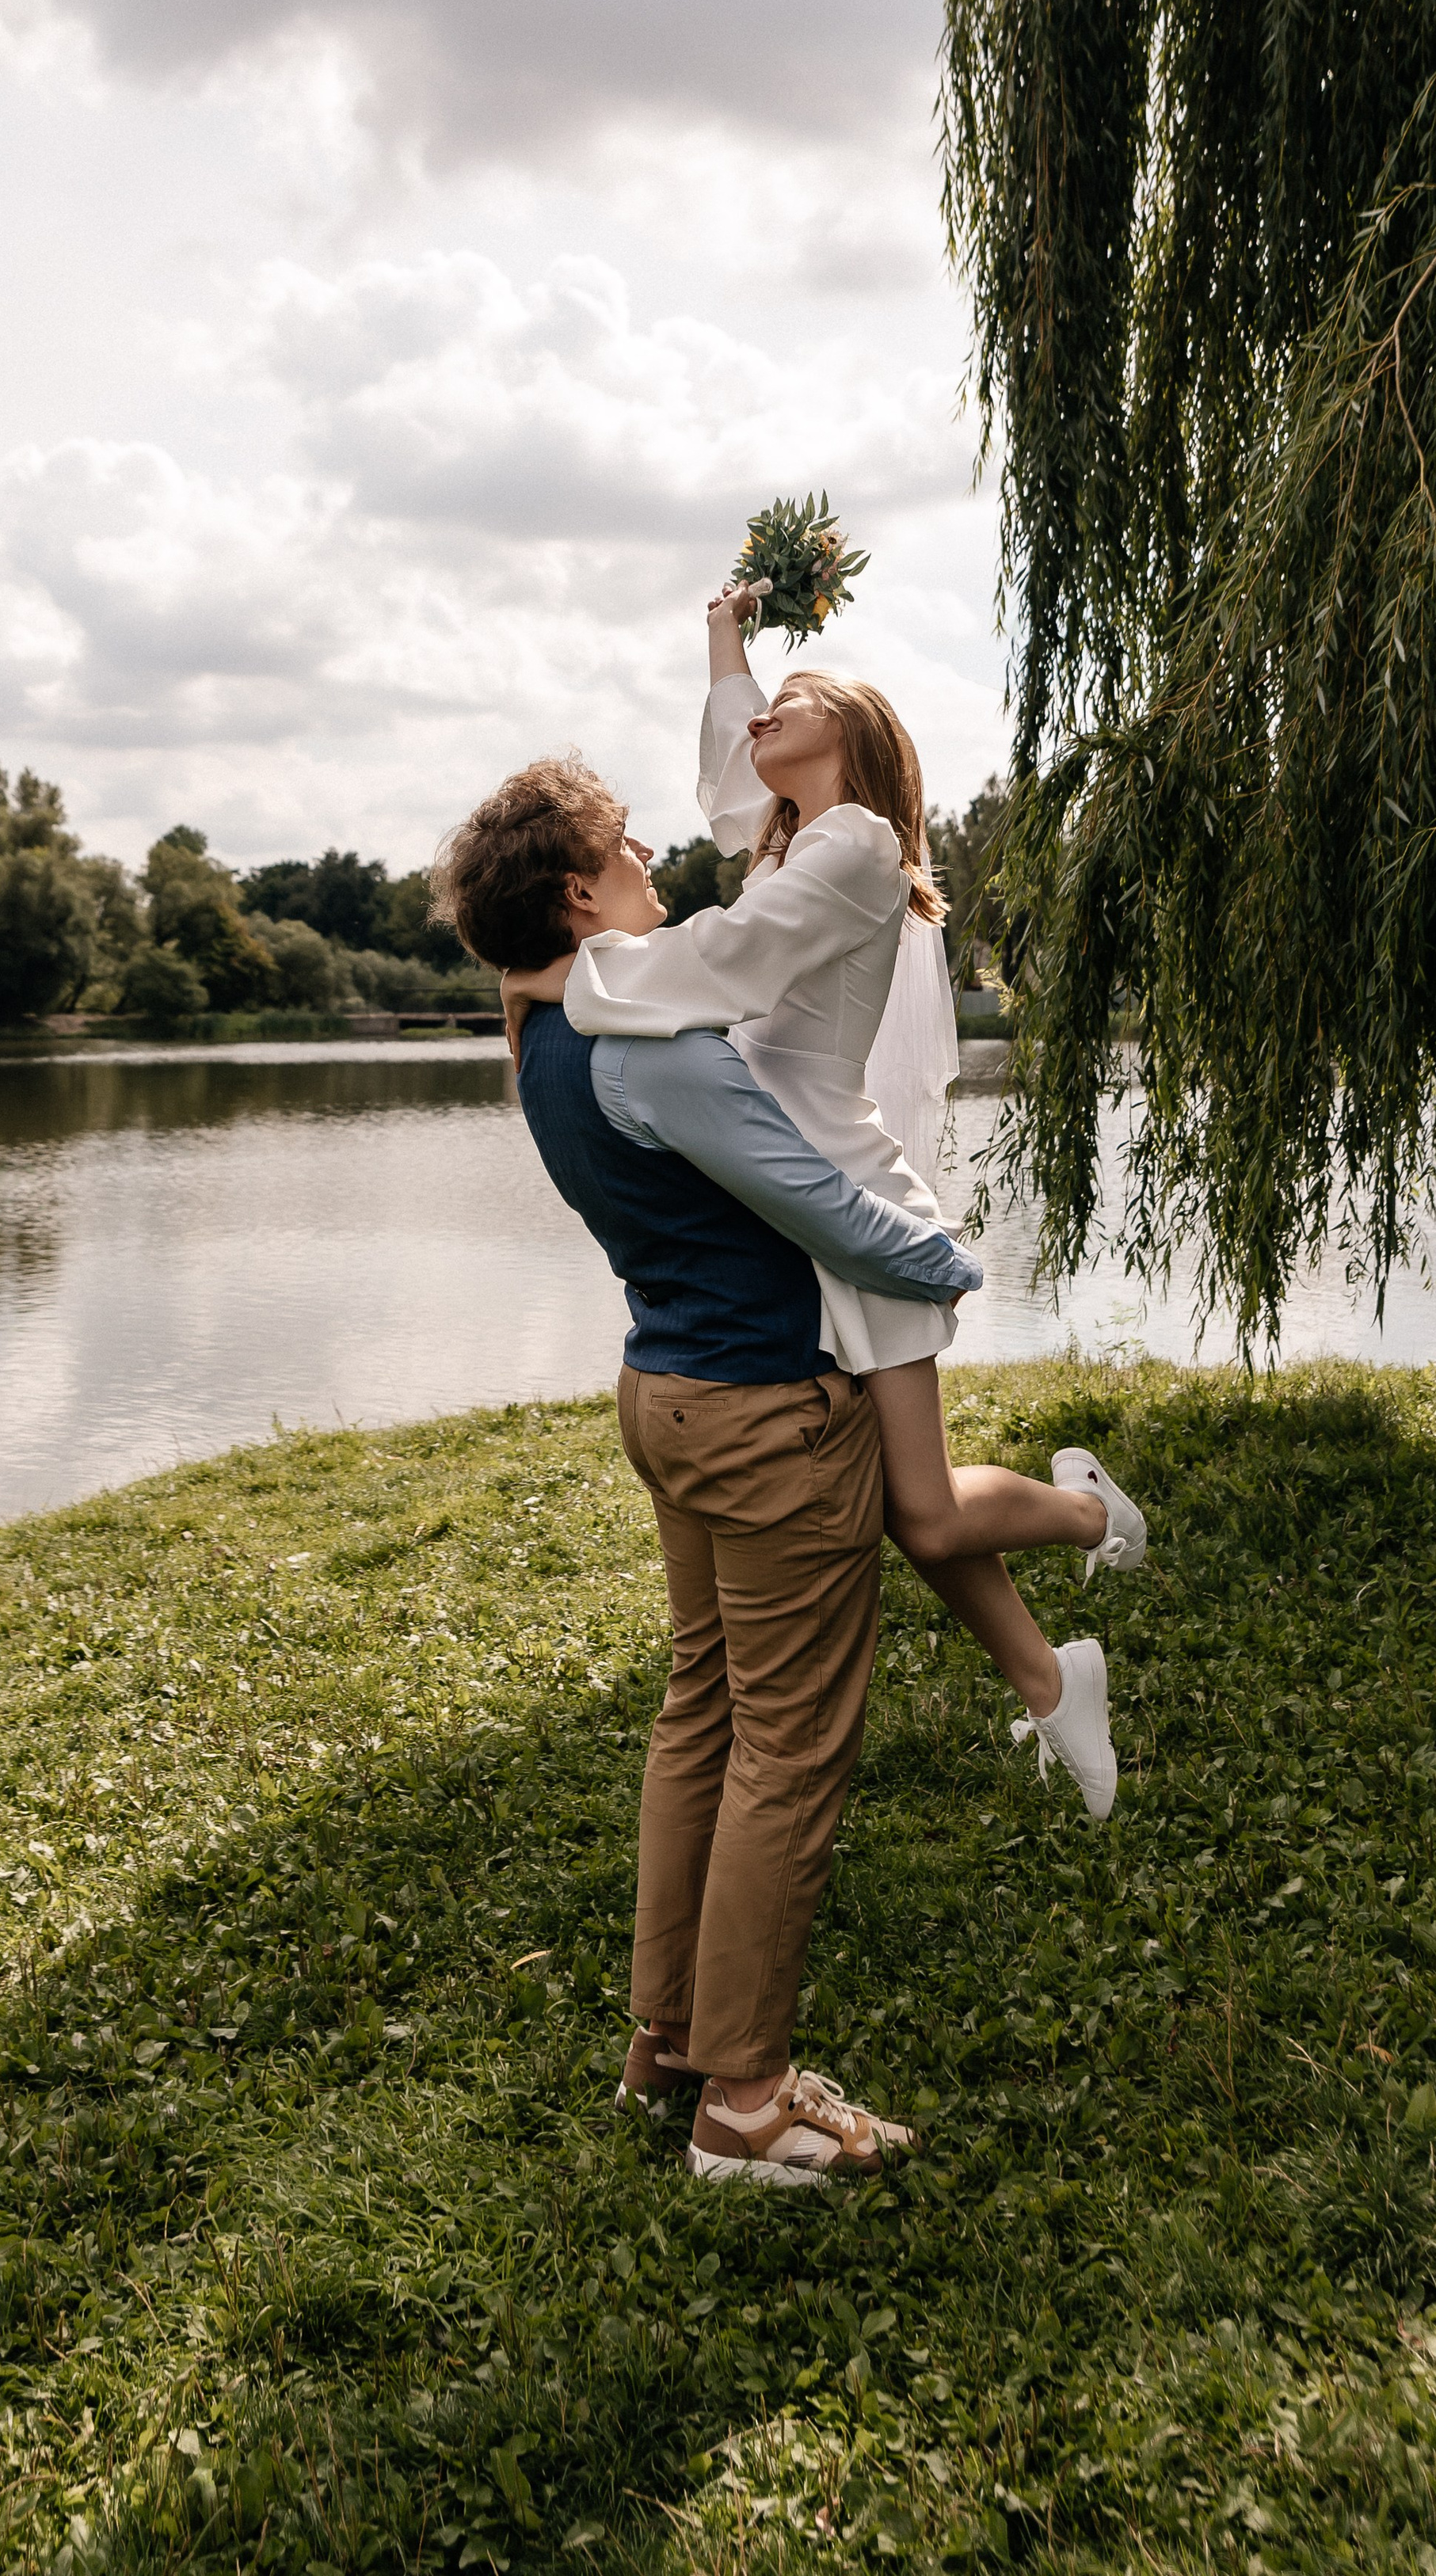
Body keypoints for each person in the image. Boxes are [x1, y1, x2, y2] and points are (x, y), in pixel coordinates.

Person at [501, 584, 1145, 1824]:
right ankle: (1055, 1680)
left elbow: (726, 961)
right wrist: (727, 643)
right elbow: (733, 784)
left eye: (792, 706)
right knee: (907, 1504)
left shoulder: (851, 846)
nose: (762, 724)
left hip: (838, 1188)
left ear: (850, 736)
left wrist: (572, 970)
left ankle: (1083, 1514)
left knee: (921, 1506)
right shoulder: (797, 837)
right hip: (771, 1194)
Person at [433, 756, 977, 2184]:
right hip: (764, 1416)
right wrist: (946, 1267)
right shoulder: (653, 1050)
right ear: (575, 892)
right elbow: (816, 1203)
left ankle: (664, 2043)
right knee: (789, 1751)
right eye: (621, 844)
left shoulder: (541, 1039)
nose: (649, 850)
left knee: (705, 1715)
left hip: (664, 1392)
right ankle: (743, 2101)